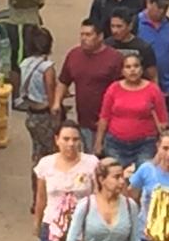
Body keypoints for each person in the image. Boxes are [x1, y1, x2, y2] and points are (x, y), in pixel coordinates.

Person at [53, 20, 127, 151]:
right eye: (82, 34)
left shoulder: (115, 58)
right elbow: (64, 81)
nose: (83, 38)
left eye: (88, 35)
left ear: (100, 36)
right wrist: (57, 102)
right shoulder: (73, 55)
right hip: (84, 122)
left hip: (110, 124)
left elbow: (123, 91)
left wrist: (112, 116)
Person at [96, 53, 167, 168]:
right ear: (122, 71)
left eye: (136, 66)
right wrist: (98, 143)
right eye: (128, 67)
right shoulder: (113, 88)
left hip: (145, 144)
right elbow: (104, 117)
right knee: (116, 176)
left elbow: (163, 120)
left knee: (144, 174)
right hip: (115, 143)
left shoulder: (153, 89)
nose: (132, 70)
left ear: (141, 69)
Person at [139, 0, 169, 126]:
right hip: (142, 88)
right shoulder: (135, 24)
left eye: (165, 7)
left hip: (168, 89)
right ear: (148, 3)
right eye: (159, 6)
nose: (162, 11)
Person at [19, 27, 59, 166]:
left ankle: (36, 184)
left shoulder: (24, 64)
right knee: (51, 154)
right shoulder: (47, 67)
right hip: (44, 115)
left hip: (31, 113)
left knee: (37, 153)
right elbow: (50, 92)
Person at [106, 9, 159, 81]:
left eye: (119, 26)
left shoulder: (143, 48)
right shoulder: (107, 45)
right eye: (112, 26)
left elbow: (152, 76)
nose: (115, 31)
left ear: (130, 26)